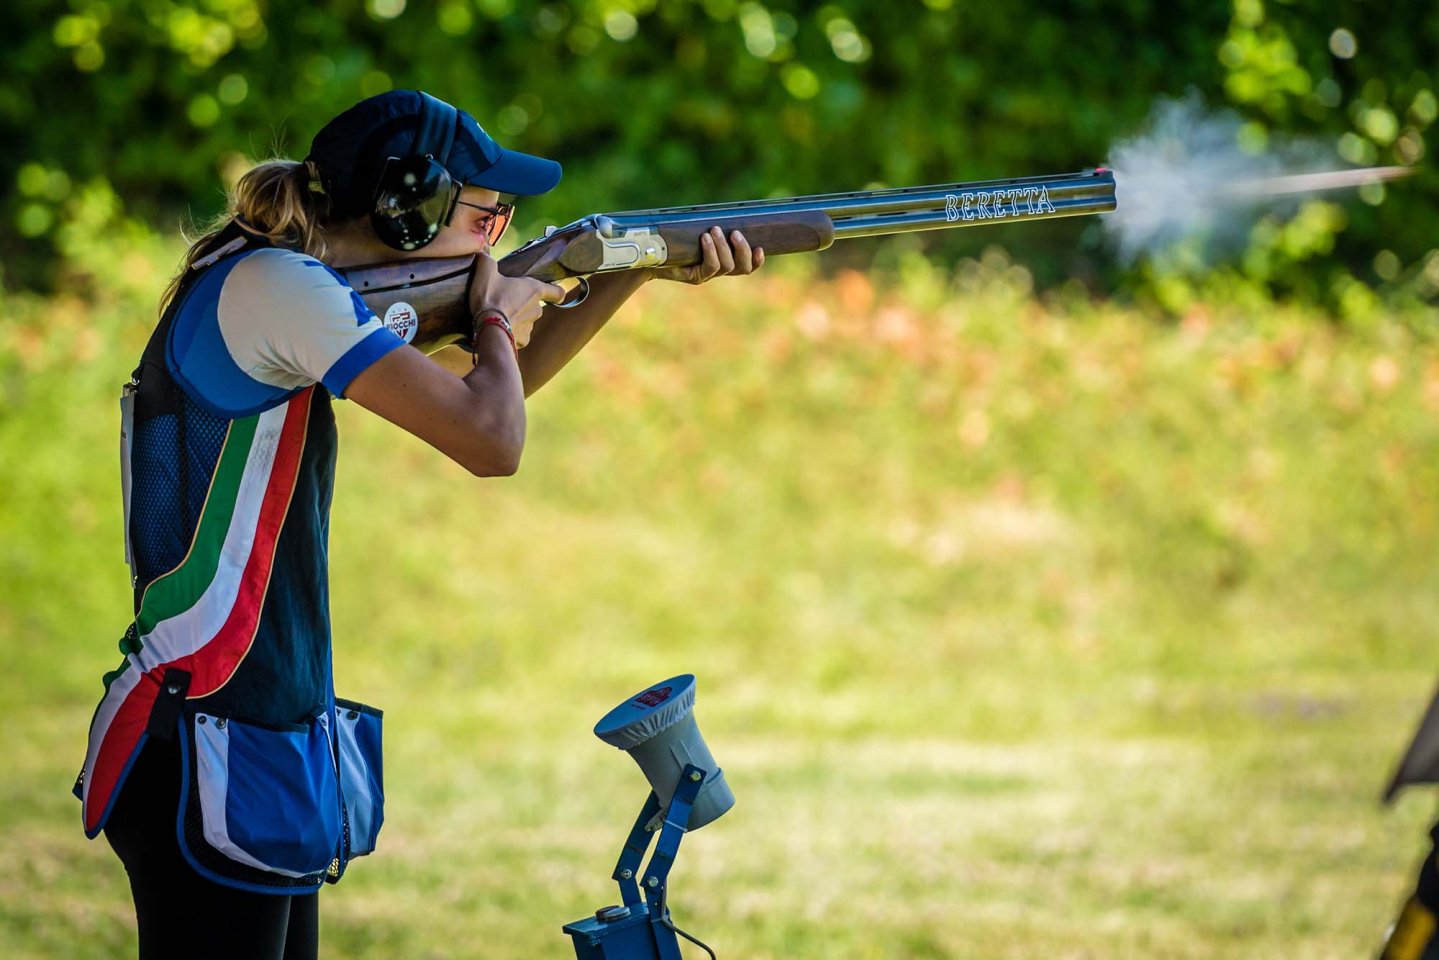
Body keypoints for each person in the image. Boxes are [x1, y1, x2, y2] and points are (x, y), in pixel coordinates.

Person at [75, 88, 764, 960]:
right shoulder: (278, 288)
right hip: (206, 734)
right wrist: (490, 319)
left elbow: (489, 396)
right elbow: (490, 440)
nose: (501, 231)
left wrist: (632, 266)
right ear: (409, 207)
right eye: (488, 213)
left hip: (254, 739)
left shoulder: (283, 280)